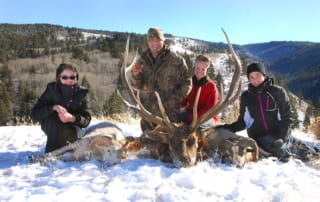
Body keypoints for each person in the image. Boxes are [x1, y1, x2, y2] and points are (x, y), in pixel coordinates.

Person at [217, 62, 293, 161]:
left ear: (264, 75)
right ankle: (290, 148)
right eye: (251, 77)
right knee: (272, 146)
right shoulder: (246, 97)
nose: (255, 79)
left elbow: (287, 118)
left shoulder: (277, 92)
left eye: (257, 75)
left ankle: (291, 147)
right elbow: (243, 122)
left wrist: (282, 137)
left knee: (287, 147)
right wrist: (225, 128)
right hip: (260, 138)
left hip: (278, 135)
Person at [131, 27, 192, 131]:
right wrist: (136, 76)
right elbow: (138, 86)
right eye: (151, 40)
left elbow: (187, 83)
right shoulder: (142, 61)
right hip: (149, 114)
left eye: (158, 40)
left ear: (163, 40)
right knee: (147, 143)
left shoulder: (177, 61)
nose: (155, 43)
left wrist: (174, 99)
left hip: (169, 114)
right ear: (148, 42)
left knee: (168, 143)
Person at [31, 63, 92, 153]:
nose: (69, 80)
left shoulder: (82, 93)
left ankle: (69, 150)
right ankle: (52, 152)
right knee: (53, 123)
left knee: (71, 132)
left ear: (76, 78)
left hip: (72, 128)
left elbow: (86, 120)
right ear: (59, 78)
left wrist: (73, 118)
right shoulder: (51, 90)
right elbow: (35, 114)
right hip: (51, 126)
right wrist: (52, 108)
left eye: (72, 77)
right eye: (64, 77)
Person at [179, 54, 219, 129]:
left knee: (196, 127)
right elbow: (183, 103)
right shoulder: (189, 82)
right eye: (197, 68)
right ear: (194, 66)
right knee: (173, 119)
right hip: (190, 114)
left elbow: (210, 109)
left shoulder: (211, 86)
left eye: (203, 69)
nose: (199, 71)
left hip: (207, 117)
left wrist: (193, 117)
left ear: (207, 69)